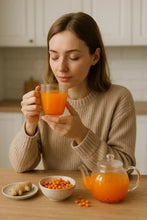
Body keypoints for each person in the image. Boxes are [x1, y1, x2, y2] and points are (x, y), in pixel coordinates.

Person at [9, 12, 136, 173]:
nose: (61, 67)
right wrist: (30, 125)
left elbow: (125, 168)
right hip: (56, 194)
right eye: (54, 57)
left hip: (101, 195)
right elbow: (20, 166)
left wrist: (81, 135)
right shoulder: (44, 97)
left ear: (95, 57)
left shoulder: (119, 99)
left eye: (74, 57)